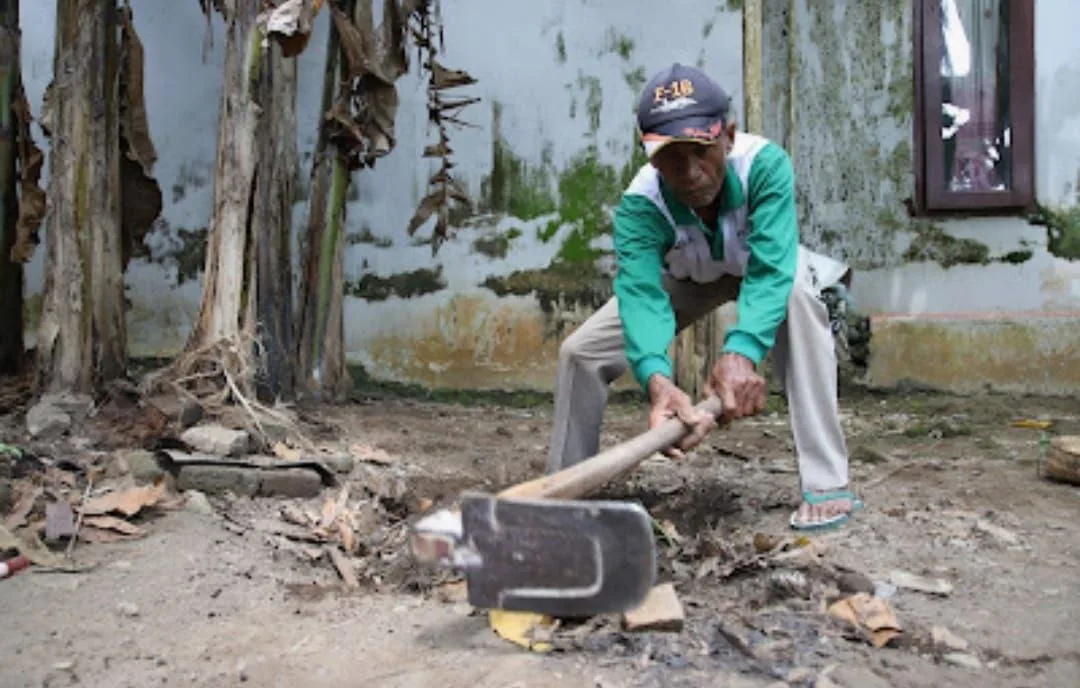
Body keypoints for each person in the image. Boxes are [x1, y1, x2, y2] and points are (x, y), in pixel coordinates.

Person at [545, 63, 862, 531]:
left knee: (796, 295)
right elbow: (641, 296)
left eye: (702, 151)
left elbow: (773, 267)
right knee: (580, 351)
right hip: (690, 279)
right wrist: (657, 379)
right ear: (652, 158)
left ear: (728, 137)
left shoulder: (765, 165)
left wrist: (742, 352)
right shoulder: (640, 205)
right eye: (673, 157)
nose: (691, 173)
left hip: (761, 271)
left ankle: (827, 484)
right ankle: (561, 497)